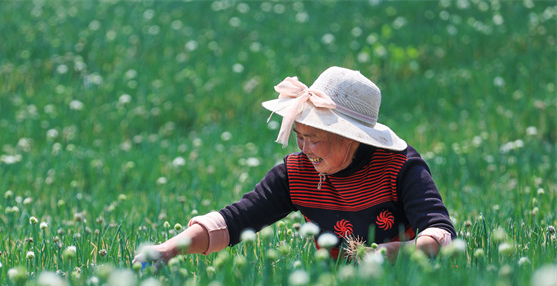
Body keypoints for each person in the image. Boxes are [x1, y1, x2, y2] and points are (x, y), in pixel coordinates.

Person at [133, 66, 455, 267]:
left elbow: (440, 233)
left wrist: (394, 255)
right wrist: (168, 250)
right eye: (300, 136)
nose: (305, 149)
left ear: (352, 138)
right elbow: (237, 219)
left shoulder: (399, 167)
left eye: (314, 138)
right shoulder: (296, 174)